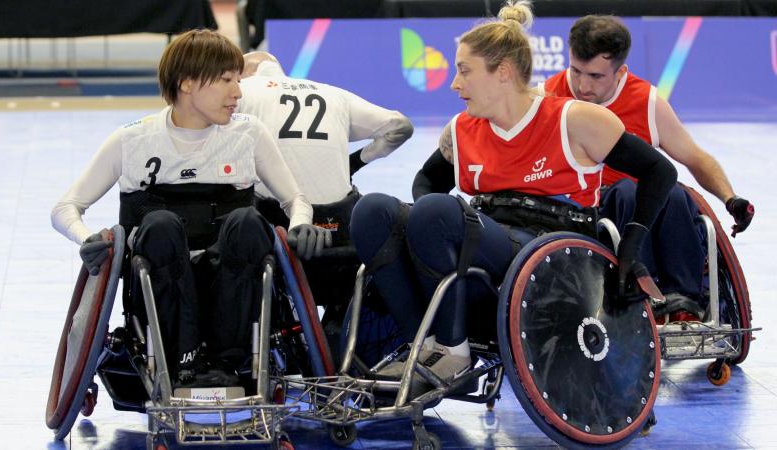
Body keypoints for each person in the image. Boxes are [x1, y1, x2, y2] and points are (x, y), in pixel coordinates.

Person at [349, 0, 677, 393]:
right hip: (487, 235)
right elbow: (426, 180)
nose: (455, 83)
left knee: (437, 211)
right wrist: (420, 232)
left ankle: (454, 353)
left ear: (502, 72)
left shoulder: (574, 118)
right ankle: (423, 344)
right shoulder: (463, 129)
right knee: (373, 210)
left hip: (553, 252)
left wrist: (632, 247)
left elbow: (661, 171)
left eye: (464, 71)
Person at [51, 29, 330, 388]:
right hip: (159, 278)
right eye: (226, 80)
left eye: (237, 80)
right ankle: (184, 359)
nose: (238, 92)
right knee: (161, 225)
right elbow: (65, 207)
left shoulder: (248, 134)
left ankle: (230, 360)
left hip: (229, 273)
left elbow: (296, 200)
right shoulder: (133, 140)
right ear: (187, 84)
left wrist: (299, 225)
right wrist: (86, 238)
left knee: (249, 221)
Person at [543, 15, 754, 319]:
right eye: (575, 71)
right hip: (584, 210)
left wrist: (730, 199)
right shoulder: (549, 96)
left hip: (642, 205)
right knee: (629, 192)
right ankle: (642, 298)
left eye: (595, 76)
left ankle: (684, 299)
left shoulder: (646, 101)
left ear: (621, 72)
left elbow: (694, 158)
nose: (582, 85)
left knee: (676, 193)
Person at [236, 51, 413, 316]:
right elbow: (400, 126)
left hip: (281, 234)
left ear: (242, 74)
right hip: (340, 234)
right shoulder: (333, 93)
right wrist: (359, 160)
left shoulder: (241, 91)